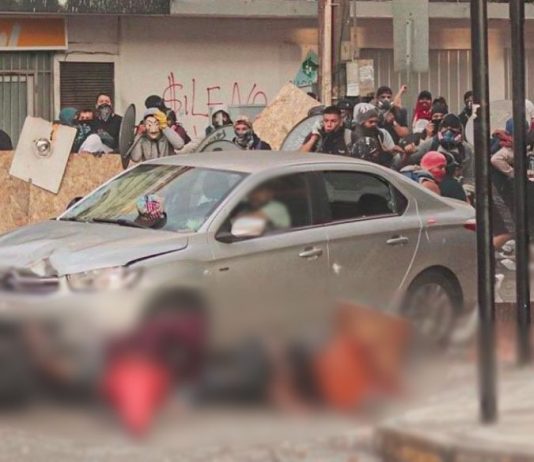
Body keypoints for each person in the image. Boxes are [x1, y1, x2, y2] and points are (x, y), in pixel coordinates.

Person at [411, 113, 473, 188]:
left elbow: (469, 176)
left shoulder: (466, 149)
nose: (449, 130)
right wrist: (406, 154)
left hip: (455, 187)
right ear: (440, 129)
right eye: (445, 126)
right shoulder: (431, 144)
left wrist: (466, 190)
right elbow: (407, 159)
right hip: (432, 187)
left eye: (453, 126)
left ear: (460, 131)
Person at [350, 103, 396, 167]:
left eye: (376, 122)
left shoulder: (378, 134)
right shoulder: (353, 135)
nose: (374, 124)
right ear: (362, 122)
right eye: (371, 122)